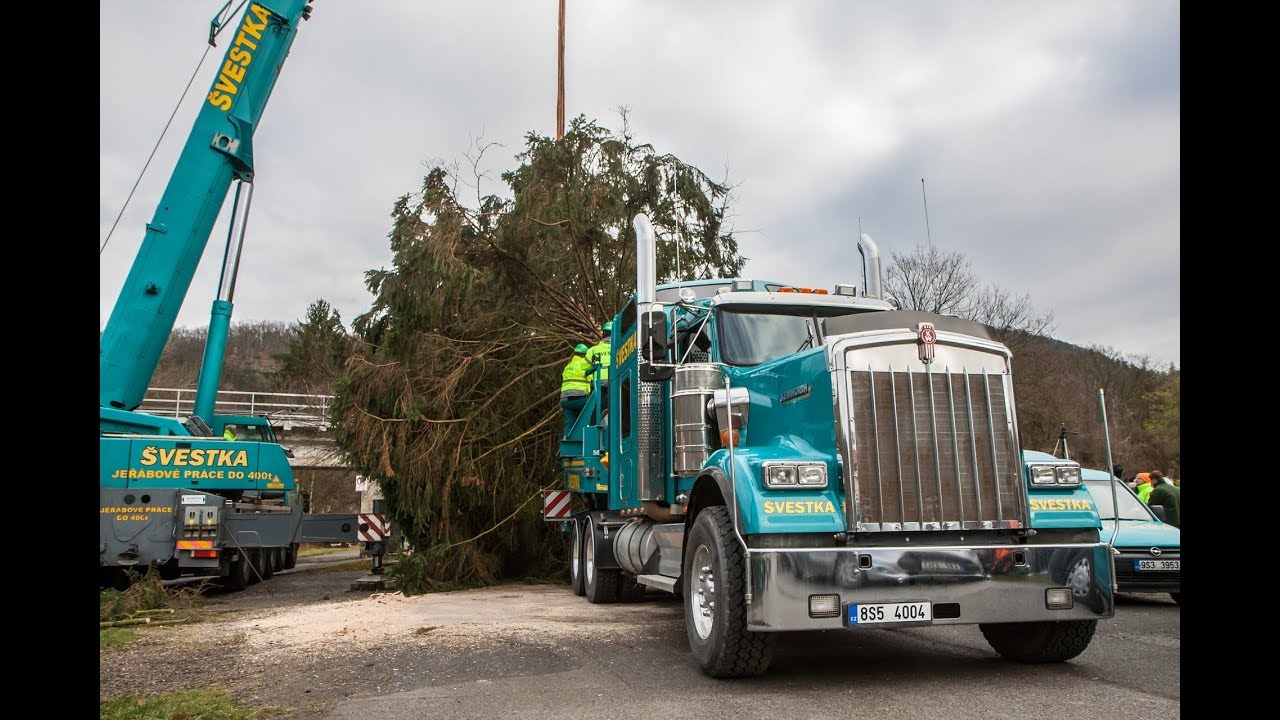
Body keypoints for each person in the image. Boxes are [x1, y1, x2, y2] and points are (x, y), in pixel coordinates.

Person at [560, 343, 592, 438]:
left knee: (569, 424)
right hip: (580, 398)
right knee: (590, 415)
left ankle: (567, 441)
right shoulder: (583, 365)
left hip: (565, 401)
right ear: (585, 354)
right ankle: (587, 438)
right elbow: (592, 378)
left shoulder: (567, 367)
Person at [585, 321, 612, 418]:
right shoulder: (618, 349)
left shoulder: (593, 350)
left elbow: (583, 367)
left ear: (603, 334)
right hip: (614, 382)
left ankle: (594, 424)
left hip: (598, 383)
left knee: (597, 408)